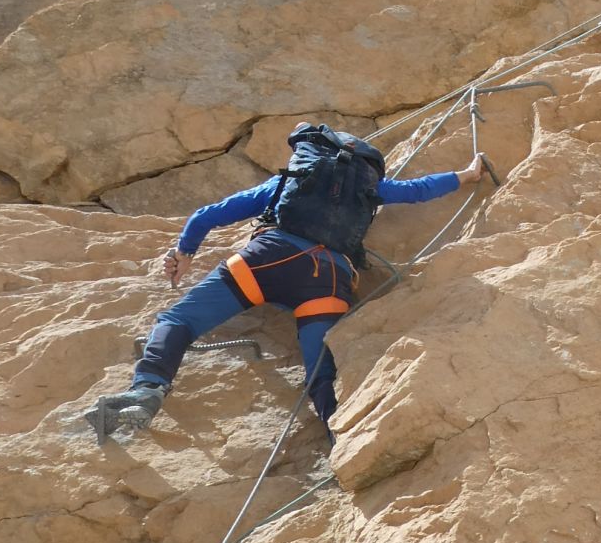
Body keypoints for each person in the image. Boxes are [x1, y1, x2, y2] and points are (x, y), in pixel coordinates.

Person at [84, 126, 485, 439]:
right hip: (328, 280)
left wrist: (184, 254)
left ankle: (148, 389)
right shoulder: (369, 189)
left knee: (178, 320)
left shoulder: (287, 183)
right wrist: (467, 175)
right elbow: (418, 190)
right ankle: (341, 441)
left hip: (264, 263)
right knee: (321, 373)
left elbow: (207, 215)